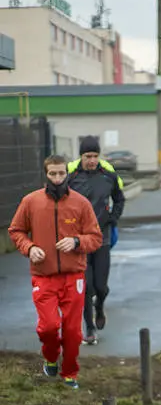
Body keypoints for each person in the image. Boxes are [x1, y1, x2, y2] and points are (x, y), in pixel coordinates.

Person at [8, 155, 103, 390]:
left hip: (74, 276)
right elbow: (16, 230)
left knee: (72, 331)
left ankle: (70, 372)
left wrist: (76, 242)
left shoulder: (81, 203)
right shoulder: (31, 202)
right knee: (49, 327)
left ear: (67, 174)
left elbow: (96, 238)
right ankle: (50, 357)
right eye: (53, 174)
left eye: (62, 174)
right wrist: (29, 248)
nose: (58, 178)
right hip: (44, 276)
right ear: (46, 174)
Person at [67, 136, 126, 345]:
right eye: (87, 156)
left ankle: (100, 305)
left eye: (94, 156)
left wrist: (112, 218)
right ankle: (89, 328)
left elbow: (119, 198)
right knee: (86, 286)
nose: (91, 160)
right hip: (80, 240)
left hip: (102, 237)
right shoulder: (71, 177)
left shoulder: (108, 175)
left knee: (101, 287)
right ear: (81, 156)